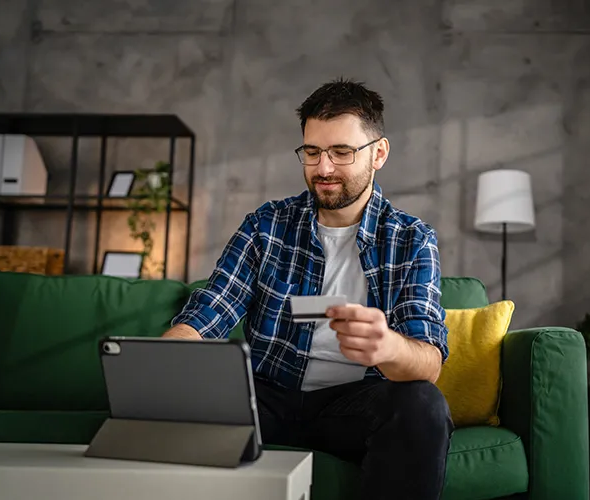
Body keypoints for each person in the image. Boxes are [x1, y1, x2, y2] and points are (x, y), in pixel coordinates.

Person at [163, 78, 453, 500]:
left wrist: (388, 347)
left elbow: (428, 363)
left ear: (379, 154)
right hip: (266, 397)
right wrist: (171, 351)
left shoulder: (411, 239)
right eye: (312, 152)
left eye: (341, 152)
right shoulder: (267, 225)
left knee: (422, 406)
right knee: (186, 400)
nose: (324, 168)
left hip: (354, 405)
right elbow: (212, 307)